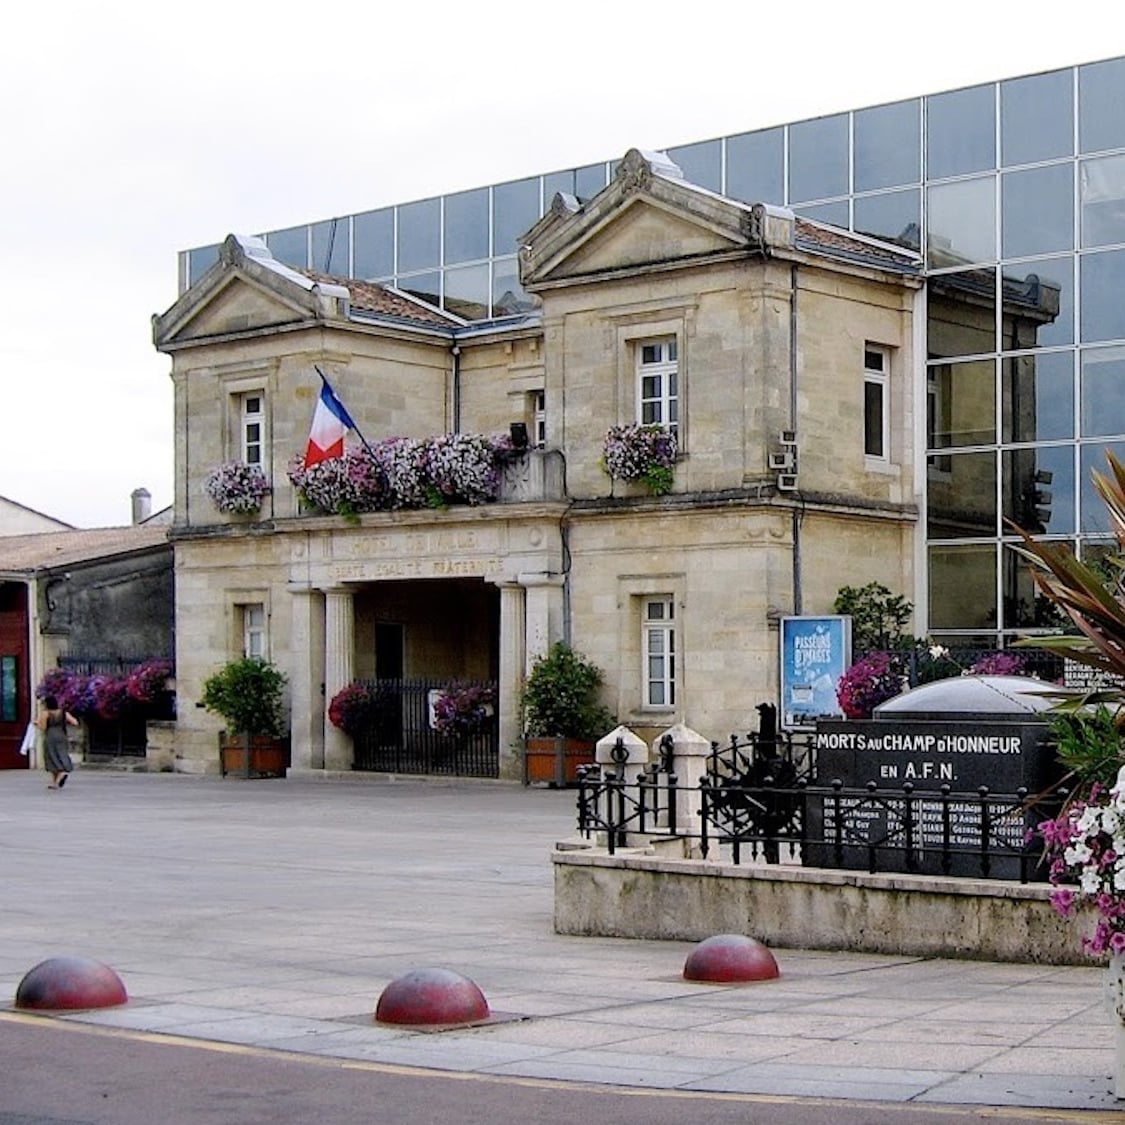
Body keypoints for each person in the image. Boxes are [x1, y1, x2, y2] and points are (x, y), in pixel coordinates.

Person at [36, 695, 77, 789]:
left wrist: (36, 723)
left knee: (51, 756)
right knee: (62, 754)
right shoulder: (63, 712)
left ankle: (61, 773)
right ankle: (55, 782)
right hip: (62, 735)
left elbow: (43, 727)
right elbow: (75, 722)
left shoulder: (45, 713)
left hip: (50, 736)